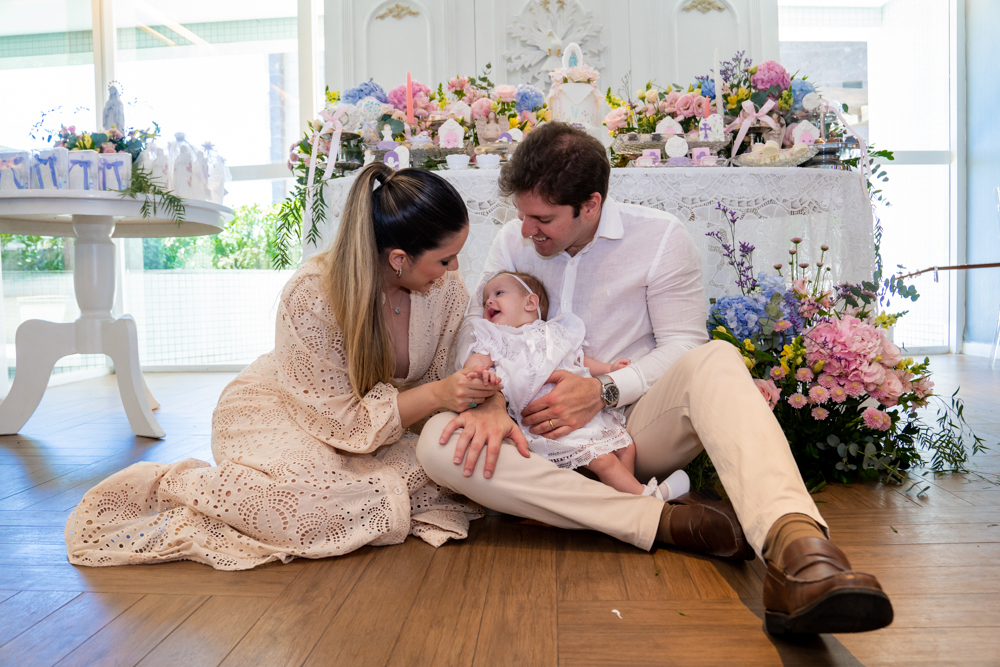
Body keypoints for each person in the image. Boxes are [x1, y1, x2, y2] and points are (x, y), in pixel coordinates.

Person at [416, 122, 893, 636]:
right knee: (436, 444)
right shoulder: (513, 241)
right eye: (523, 215)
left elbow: (683, 343)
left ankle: (798, 550)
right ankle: (662, 520)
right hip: (527, 438)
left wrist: (603, 390)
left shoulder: (660, 236)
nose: (527, 230)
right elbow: (477, 331)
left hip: (630, 433)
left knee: (716, 358)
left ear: (591, 205)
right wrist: (488, 402)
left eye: (544, 219)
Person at [65, 163, 527, 571]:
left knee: (450, 469)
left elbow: (450, 377)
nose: (455, 269)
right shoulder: (312, 293)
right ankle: (182, 488)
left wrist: (477, 394)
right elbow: (338, 415)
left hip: (381, 426)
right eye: (445, 259)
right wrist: (439, 395)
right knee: (304, 504)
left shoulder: (445, 292)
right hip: (288, 407)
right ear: (399, 259)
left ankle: (350, 494)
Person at [460, 271, 689, 499]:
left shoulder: (556, 331)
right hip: (546, 420)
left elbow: (579, 360)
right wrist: (479, 374)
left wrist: (609, 369)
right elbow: (477, 361)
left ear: (530, 303)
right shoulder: (497, 337)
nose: (488, 301)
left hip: (585, 410)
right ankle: (645, 498)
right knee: (603, 460)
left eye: (498, 293)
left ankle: (622, 499)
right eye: (485, 299)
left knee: (627, 448)